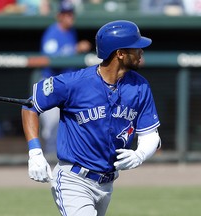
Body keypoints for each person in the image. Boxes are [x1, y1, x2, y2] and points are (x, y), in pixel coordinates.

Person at [21, 20, 161, 216]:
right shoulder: (74, 83)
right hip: (74, 179)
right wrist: (35, 153)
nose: (141, 52)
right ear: (120, 53)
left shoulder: (140, 86)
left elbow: (150, 134)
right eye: (136, 48)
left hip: (107, 185)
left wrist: (140, 154)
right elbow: (30, 106)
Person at [39, 0, 91, 154]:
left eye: (71, 14)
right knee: (51, 129)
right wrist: (75, 49)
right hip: (51, 85)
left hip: (68, 87)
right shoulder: (52, 33)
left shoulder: (71, 32)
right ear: (59, 16)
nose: (69, 17)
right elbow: (51, 60)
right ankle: (49, 160)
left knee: (72, 126)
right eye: (66, 14)